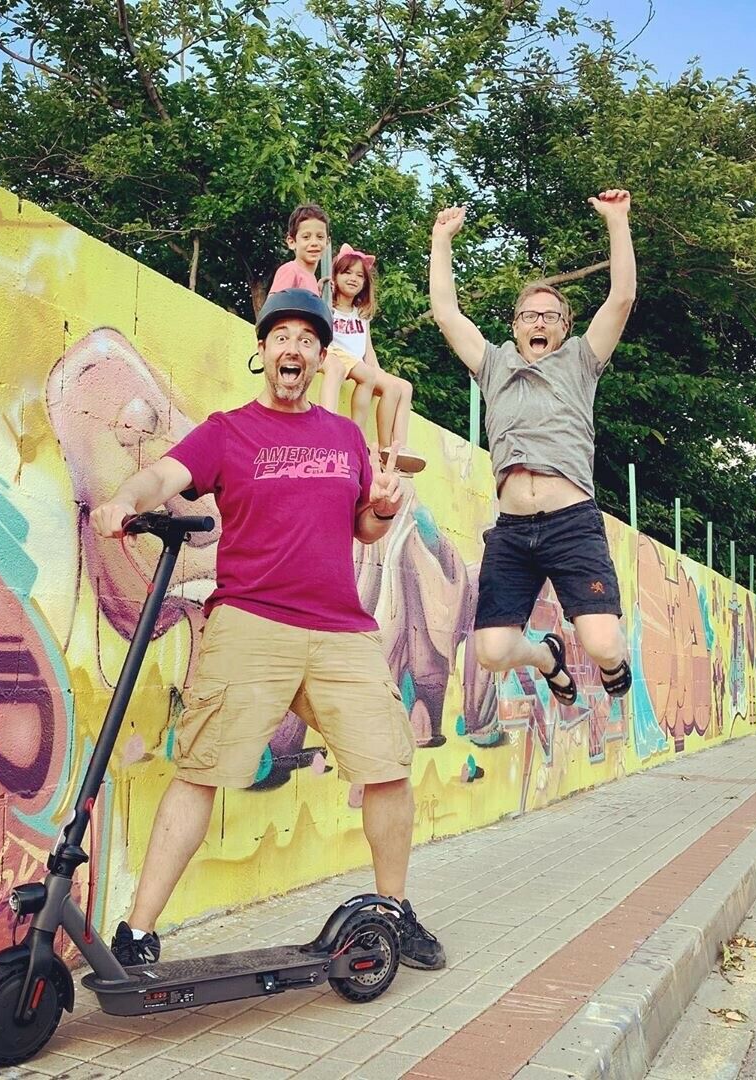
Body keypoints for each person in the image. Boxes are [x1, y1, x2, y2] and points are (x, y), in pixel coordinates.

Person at [90, 287, 446, 971]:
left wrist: (382, 508)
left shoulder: (345, 436)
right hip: (250, 622)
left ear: (318, 358)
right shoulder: (229, 431)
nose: (294, 349)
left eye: (308, 340)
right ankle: (137, 931)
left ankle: (395, 912)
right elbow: (162, 477)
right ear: (262, 351)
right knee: (200, 770)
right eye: (282, 337)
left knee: (388, 767)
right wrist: (122, 501)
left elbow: (364, 527)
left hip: (341, 630)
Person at [429, 190, 636, 704]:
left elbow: (621, 299)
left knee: (604, 645)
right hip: (513, 531)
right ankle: (547, 657)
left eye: (549, 316)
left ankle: (613, 661)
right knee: (492, 651)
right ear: (516, 326)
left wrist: (617, 221)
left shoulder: (581, 361)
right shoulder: (493, 364)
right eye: (529, 315)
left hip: (572, 524)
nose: (539, 322)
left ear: (565, 328)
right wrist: (441, 239)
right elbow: (446, 313)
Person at [324, 244, 427, 474]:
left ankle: (397, 448)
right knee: (385, 384)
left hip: (360, 364)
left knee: (403, 387)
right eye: (347, 272)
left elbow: (368, 351)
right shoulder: (328, 308)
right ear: (335, 276)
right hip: (337, 357)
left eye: (360, 275)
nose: (353, 278)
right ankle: (380, 447)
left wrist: (381, 374)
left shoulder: (361, 314)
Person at [268, 203, 329, 297]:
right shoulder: (291, 270)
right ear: (292, 242)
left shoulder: (312, 279)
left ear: (327, 242)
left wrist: (318, 297)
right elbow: (274, 303)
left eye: (320, 237)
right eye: (306, 237)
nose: (314, 243)